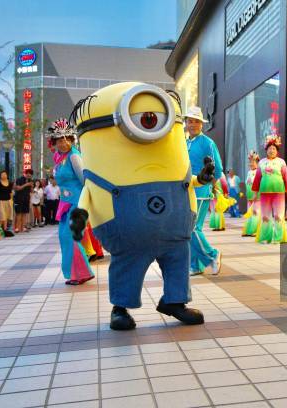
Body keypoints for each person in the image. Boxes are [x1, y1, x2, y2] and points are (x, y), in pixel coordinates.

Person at [68, 82, 215, 330]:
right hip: (126, 231)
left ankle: (174, 301)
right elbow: (89, 190)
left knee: (179, 257)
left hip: (174, 229)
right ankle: (120, 309)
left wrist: (200, 179)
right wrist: (81, 215)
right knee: (127, 264)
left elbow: (187, 181)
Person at [48, 118, 94, 285]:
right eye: (60, 140)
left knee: (69, 236)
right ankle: (78, 273)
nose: (64, 143)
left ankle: (81, 273)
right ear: (54, 142)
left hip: (77, 202)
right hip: (65, 203)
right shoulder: (59, 158)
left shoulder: (74, 157)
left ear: (72, 139)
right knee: (63, 236)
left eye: (67, 138)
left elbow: (85, 181)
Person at [185, 106, 224, 276]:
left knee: (193, 228)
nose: (192, 124)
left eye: (196, 121)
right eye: (190, 121)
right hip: (187, 190)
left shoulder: (208, 143)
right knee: (188, 229)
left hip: (201, 191)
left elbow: (218, 168)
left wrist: (210, 185)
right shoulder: (185, 143)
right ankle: (195, 265)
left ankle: (212, 255)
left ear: (202, 124)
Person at [252, 135, 287, 244]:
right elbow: (257, 179)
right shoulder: (261, 162)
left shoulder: (281, 162)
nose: (272, 150)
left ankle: (278, 238)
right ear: (266, 150)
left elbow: (286, 178)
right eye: (270, 148)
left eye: (274, 149)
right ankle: (266, 237)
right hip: (264, 193)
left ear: (277, 150)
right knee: (265, 216)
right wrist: (255, 193)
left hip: (279, 193)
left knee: (278, 216)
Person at [242, 151, 261, 237]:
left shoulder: (259, 172)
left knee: (255, 213)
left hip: (257, 197)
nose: (251, 163)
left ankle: (256, 231)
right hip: (250, 197)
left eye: (253, 161)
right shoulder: (249, 172)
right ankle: (249, 230)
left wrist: (256, 194)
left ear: (257, 162)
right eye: (250, 162)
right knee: (249, 213)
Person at [13, 169, 33, 233]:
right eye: (28, 173)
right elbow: (17, 188)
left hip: (26, 199)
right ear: (25, 173)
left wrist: (31, 186)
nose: (29, 175)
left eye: (30, 174)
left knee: (24, 213)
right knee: (19, 213)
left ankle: (23, 227)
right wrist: (26, 184)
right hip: (19, 199)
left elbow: (31, 191)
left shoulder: (30, 181)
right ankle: (17, 228)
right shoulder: (19, 179)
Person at [0, 170, 14, 235]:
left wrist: (11, 200)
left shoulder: (10, 183)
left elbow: (10, 192)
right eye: (2, 174)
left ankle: (4, 230)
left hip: (8, 201)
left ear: (7, 175)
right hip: (0, 202)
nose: (4, 175)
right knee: (2, 217)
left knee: (6, 217)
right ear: (0, 176)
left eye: (5, 174)